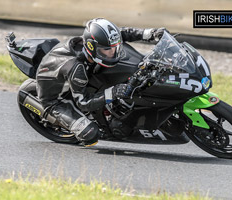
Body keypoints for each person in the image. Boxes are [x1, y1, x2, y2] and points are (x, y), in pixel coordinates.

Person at [36, 18, 167, 146]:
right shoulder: (77, 68)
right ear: (91, 47)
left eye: (115, 48)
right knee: (90, 134)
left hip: (78, 73)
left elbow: (121, 34)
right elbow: (83, 102)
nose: (112, 53)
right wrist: (112, 92)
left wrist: (149, 33)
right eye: (107, 50)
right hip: (55, 100)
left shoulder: (97, 43)